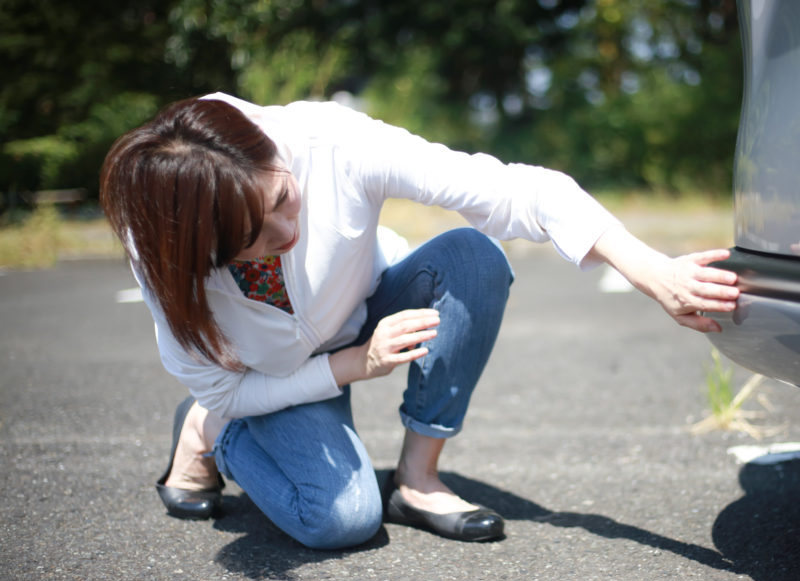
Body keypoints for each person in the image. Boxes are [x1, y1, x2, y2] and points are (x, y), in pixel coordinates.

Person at [99, 92, 740, 548]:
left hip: (365, 306)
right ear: (199, 249)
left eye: (286, 200)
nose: (288, 233)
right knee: (340, 521)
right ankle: (212, 432)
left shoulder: (332, 142)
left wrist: (652, 272)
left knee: (472, 257)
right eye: (255, 238)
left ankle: (418, 479)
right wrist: (355, 366)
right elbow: (225, 377)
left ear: (270, 148)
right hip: (269, 376)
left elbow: (522, 191)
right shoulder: (161, 249)